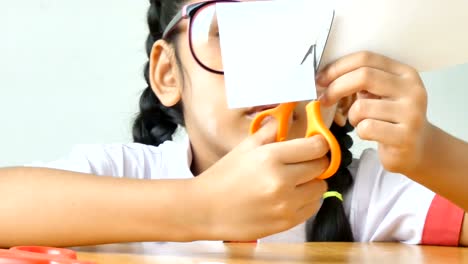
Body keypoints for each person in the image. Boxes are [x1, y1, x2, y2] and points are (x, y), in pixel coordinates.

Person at [0, 0, 467, 248]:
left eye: (300, 38)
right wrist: (201, 207)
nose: (265, 70)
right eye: (229, 31)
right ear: (167, 73)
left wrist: (430, 151)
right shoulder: (127, 173)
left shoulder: (366, 194)